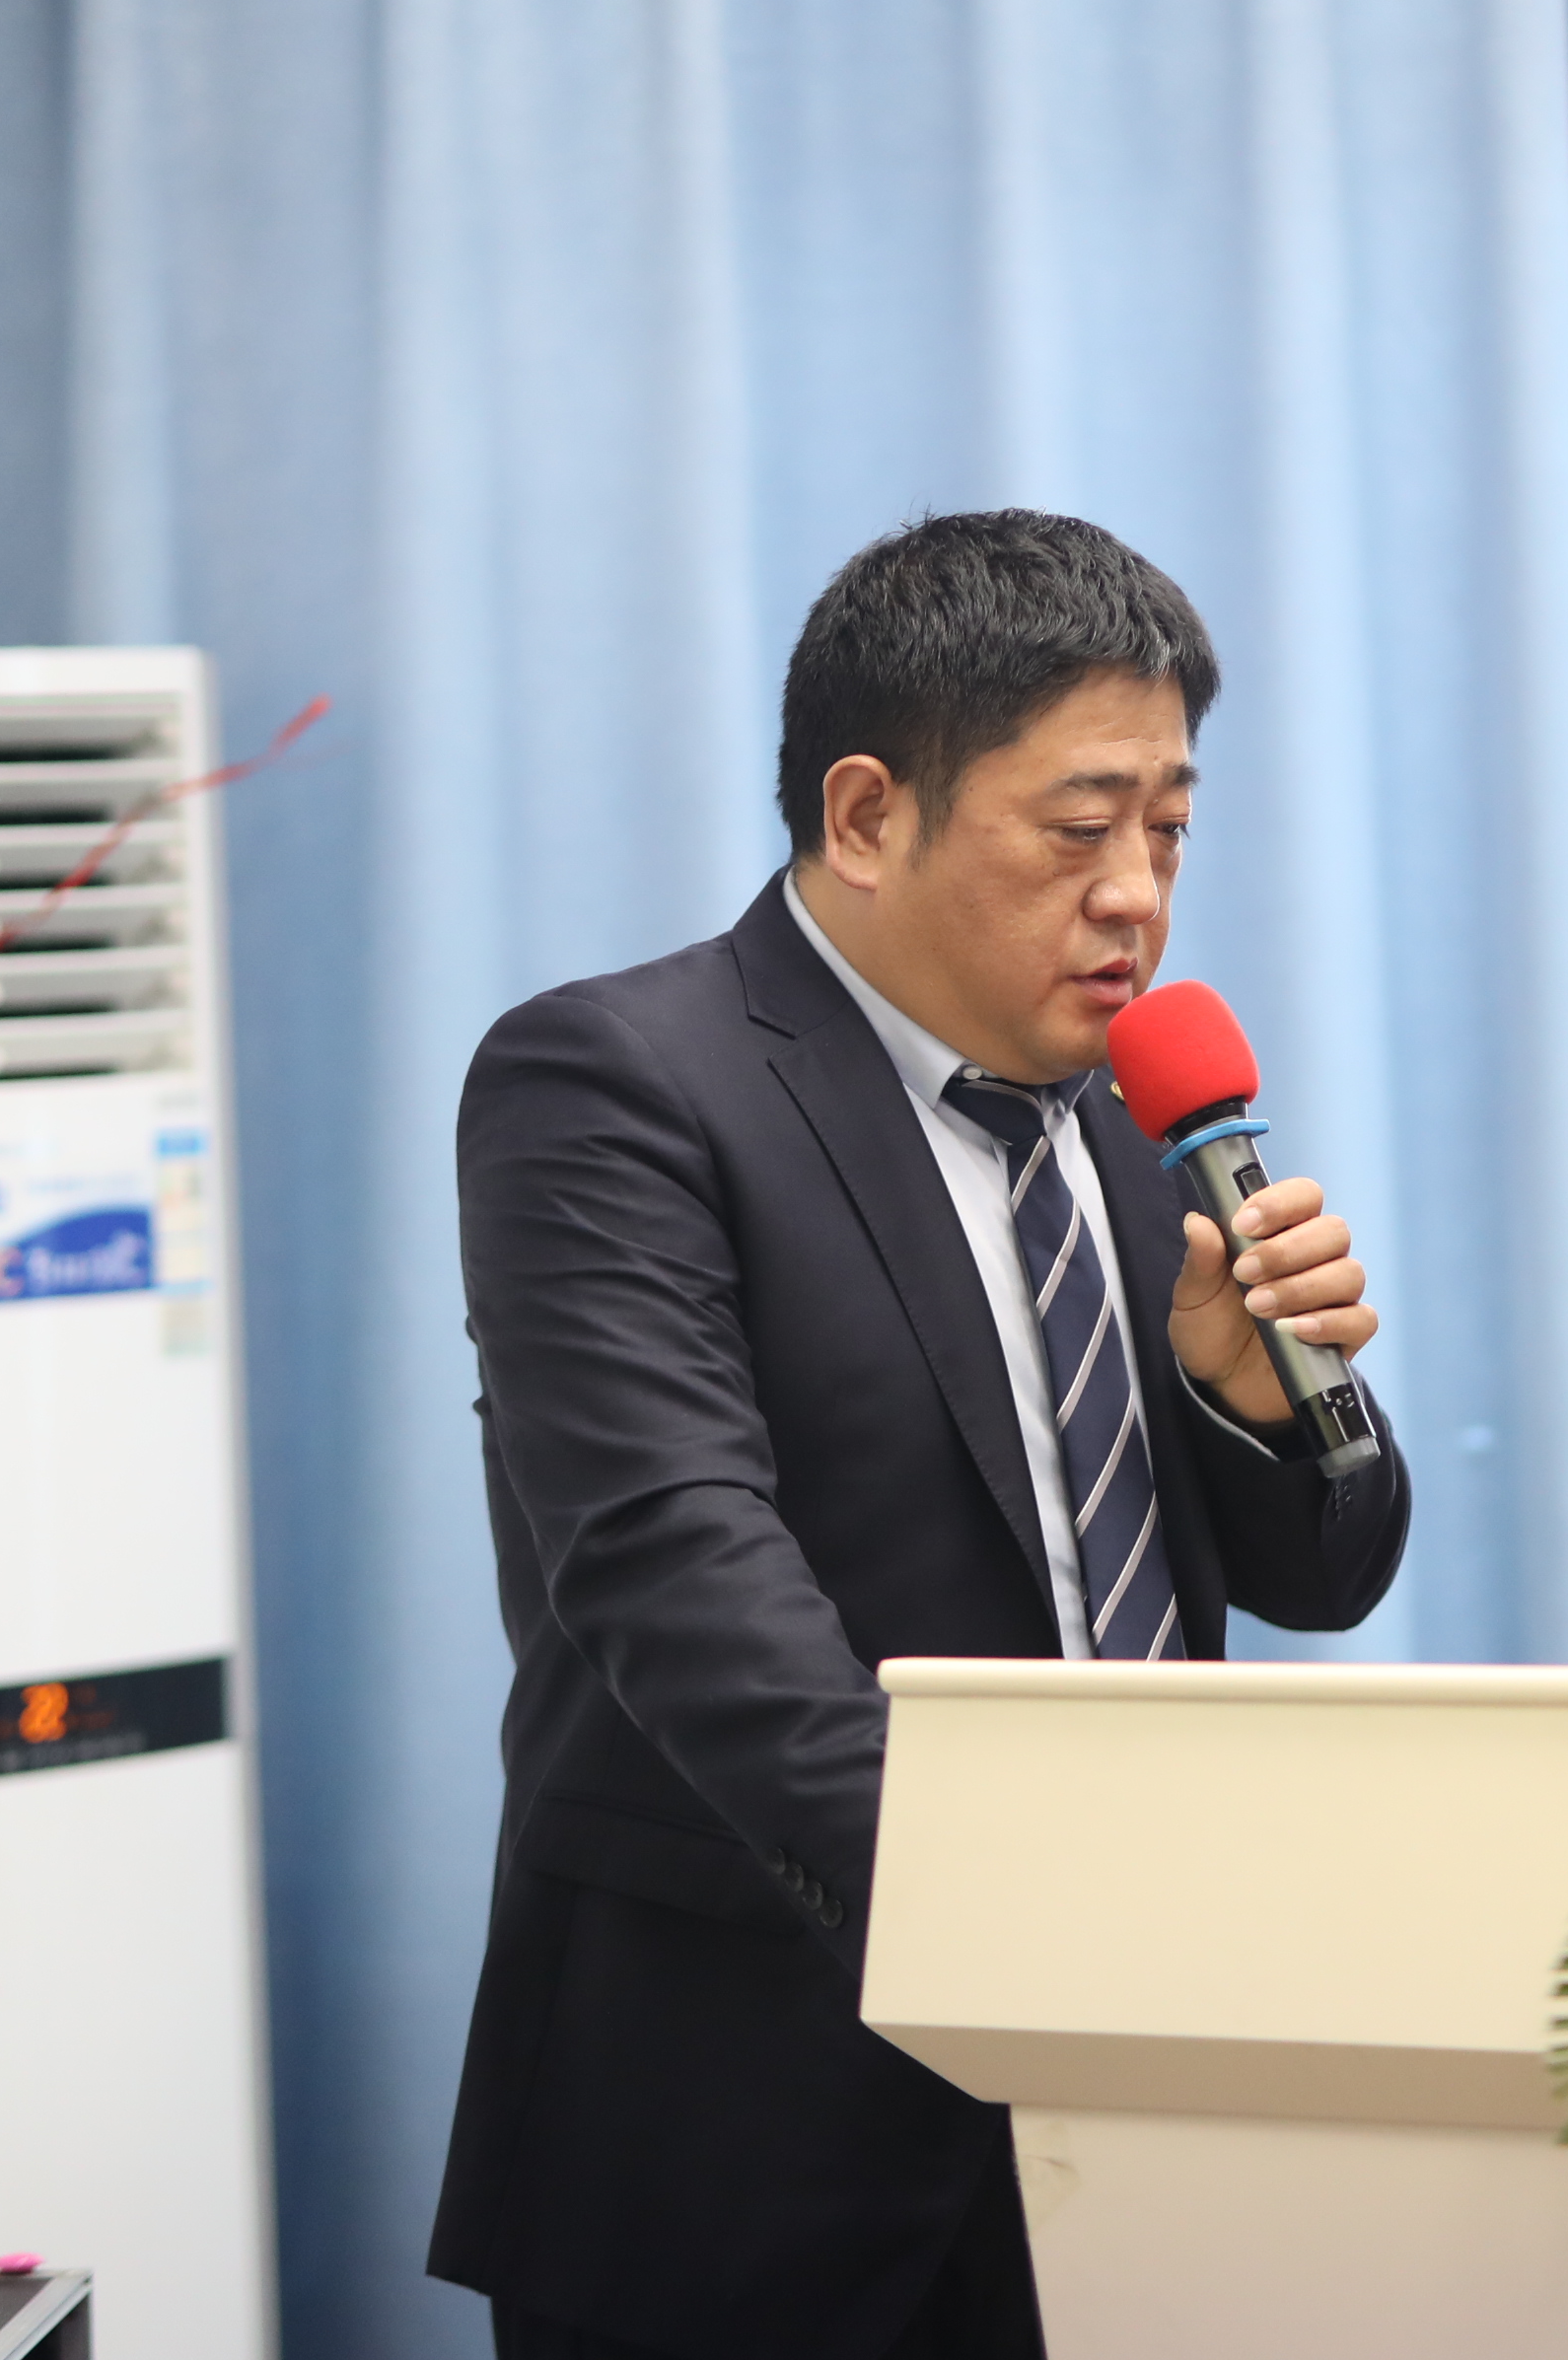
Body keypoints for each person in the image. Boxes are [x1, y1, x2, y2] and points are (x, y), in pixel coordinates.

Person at [429, 511, 1413, 2359]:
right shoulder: (616, 1084)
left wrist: (1250, 1400)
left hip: (1146, 2110)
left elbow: (1327, 1575)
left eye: (1170, 829)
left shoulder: (1138, 1118)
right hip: (752, 2137)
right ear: (868, 815)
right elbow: (675, 1573)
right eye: (1080, 828)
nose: (1138, 896)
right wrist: (1032, 1921)